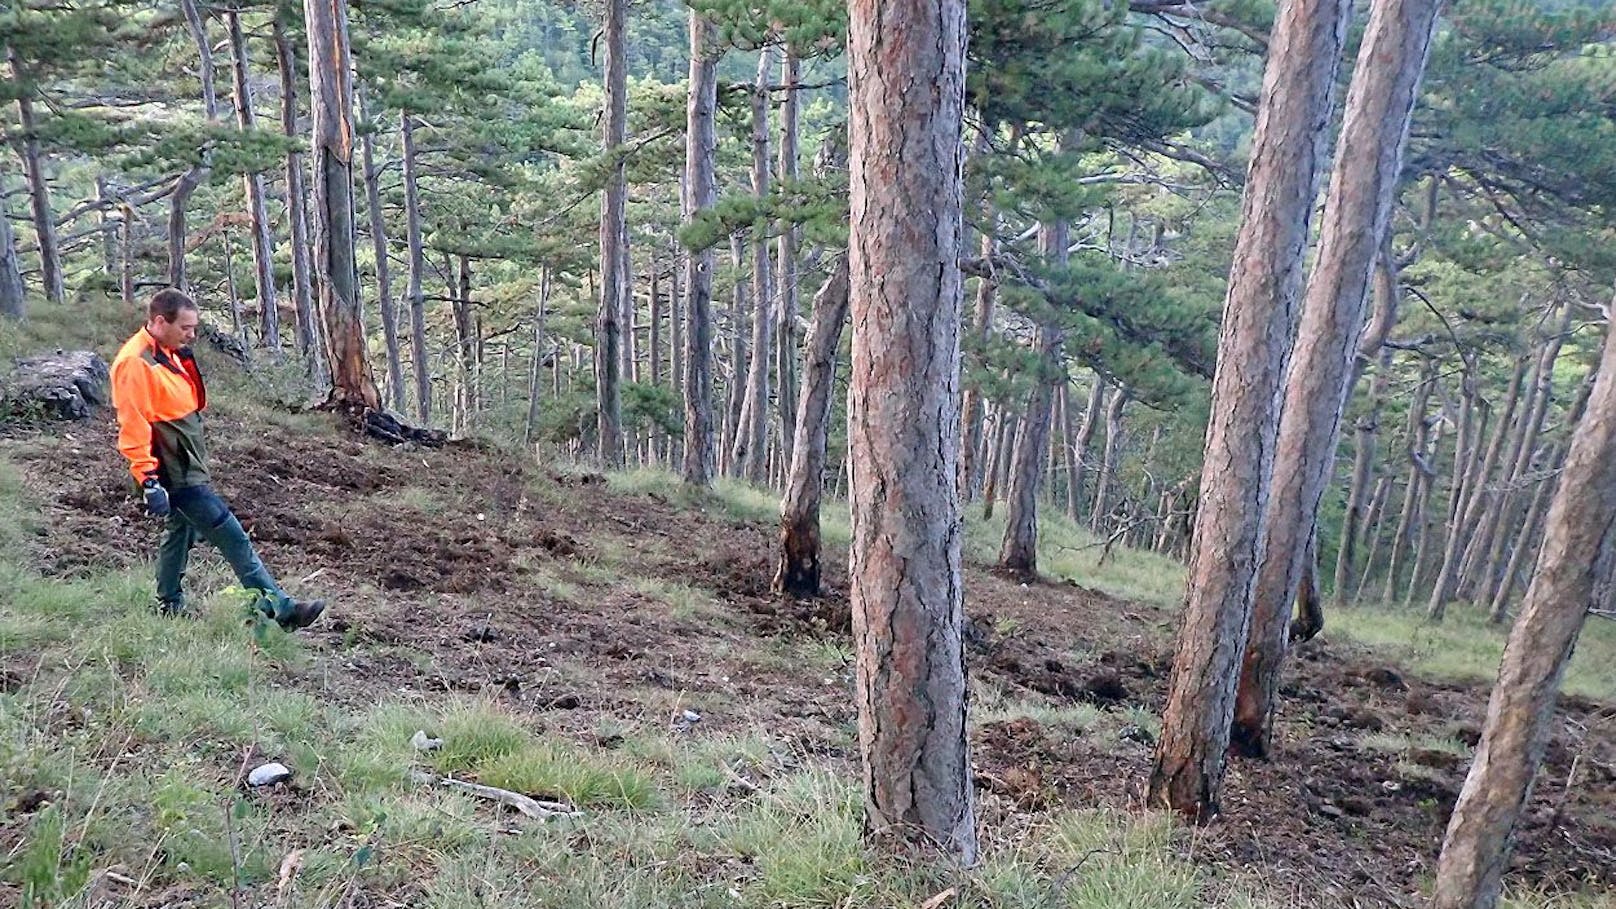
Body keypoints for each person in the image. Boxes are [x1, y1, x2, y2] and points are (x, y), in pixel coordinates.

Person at [110, 288, 325, 631]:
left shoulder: (170, 352)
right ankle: (281, 610)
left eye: (194, 327)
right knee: (232, 535)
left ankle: (168, 604)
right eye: (185, 327)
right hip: (172, 472)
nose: (192, 335)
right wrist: (148, 481)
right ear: (159, 321)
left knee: (180, 531)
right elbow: (133, 425)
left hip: (186, 464)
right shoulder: (135, 363)